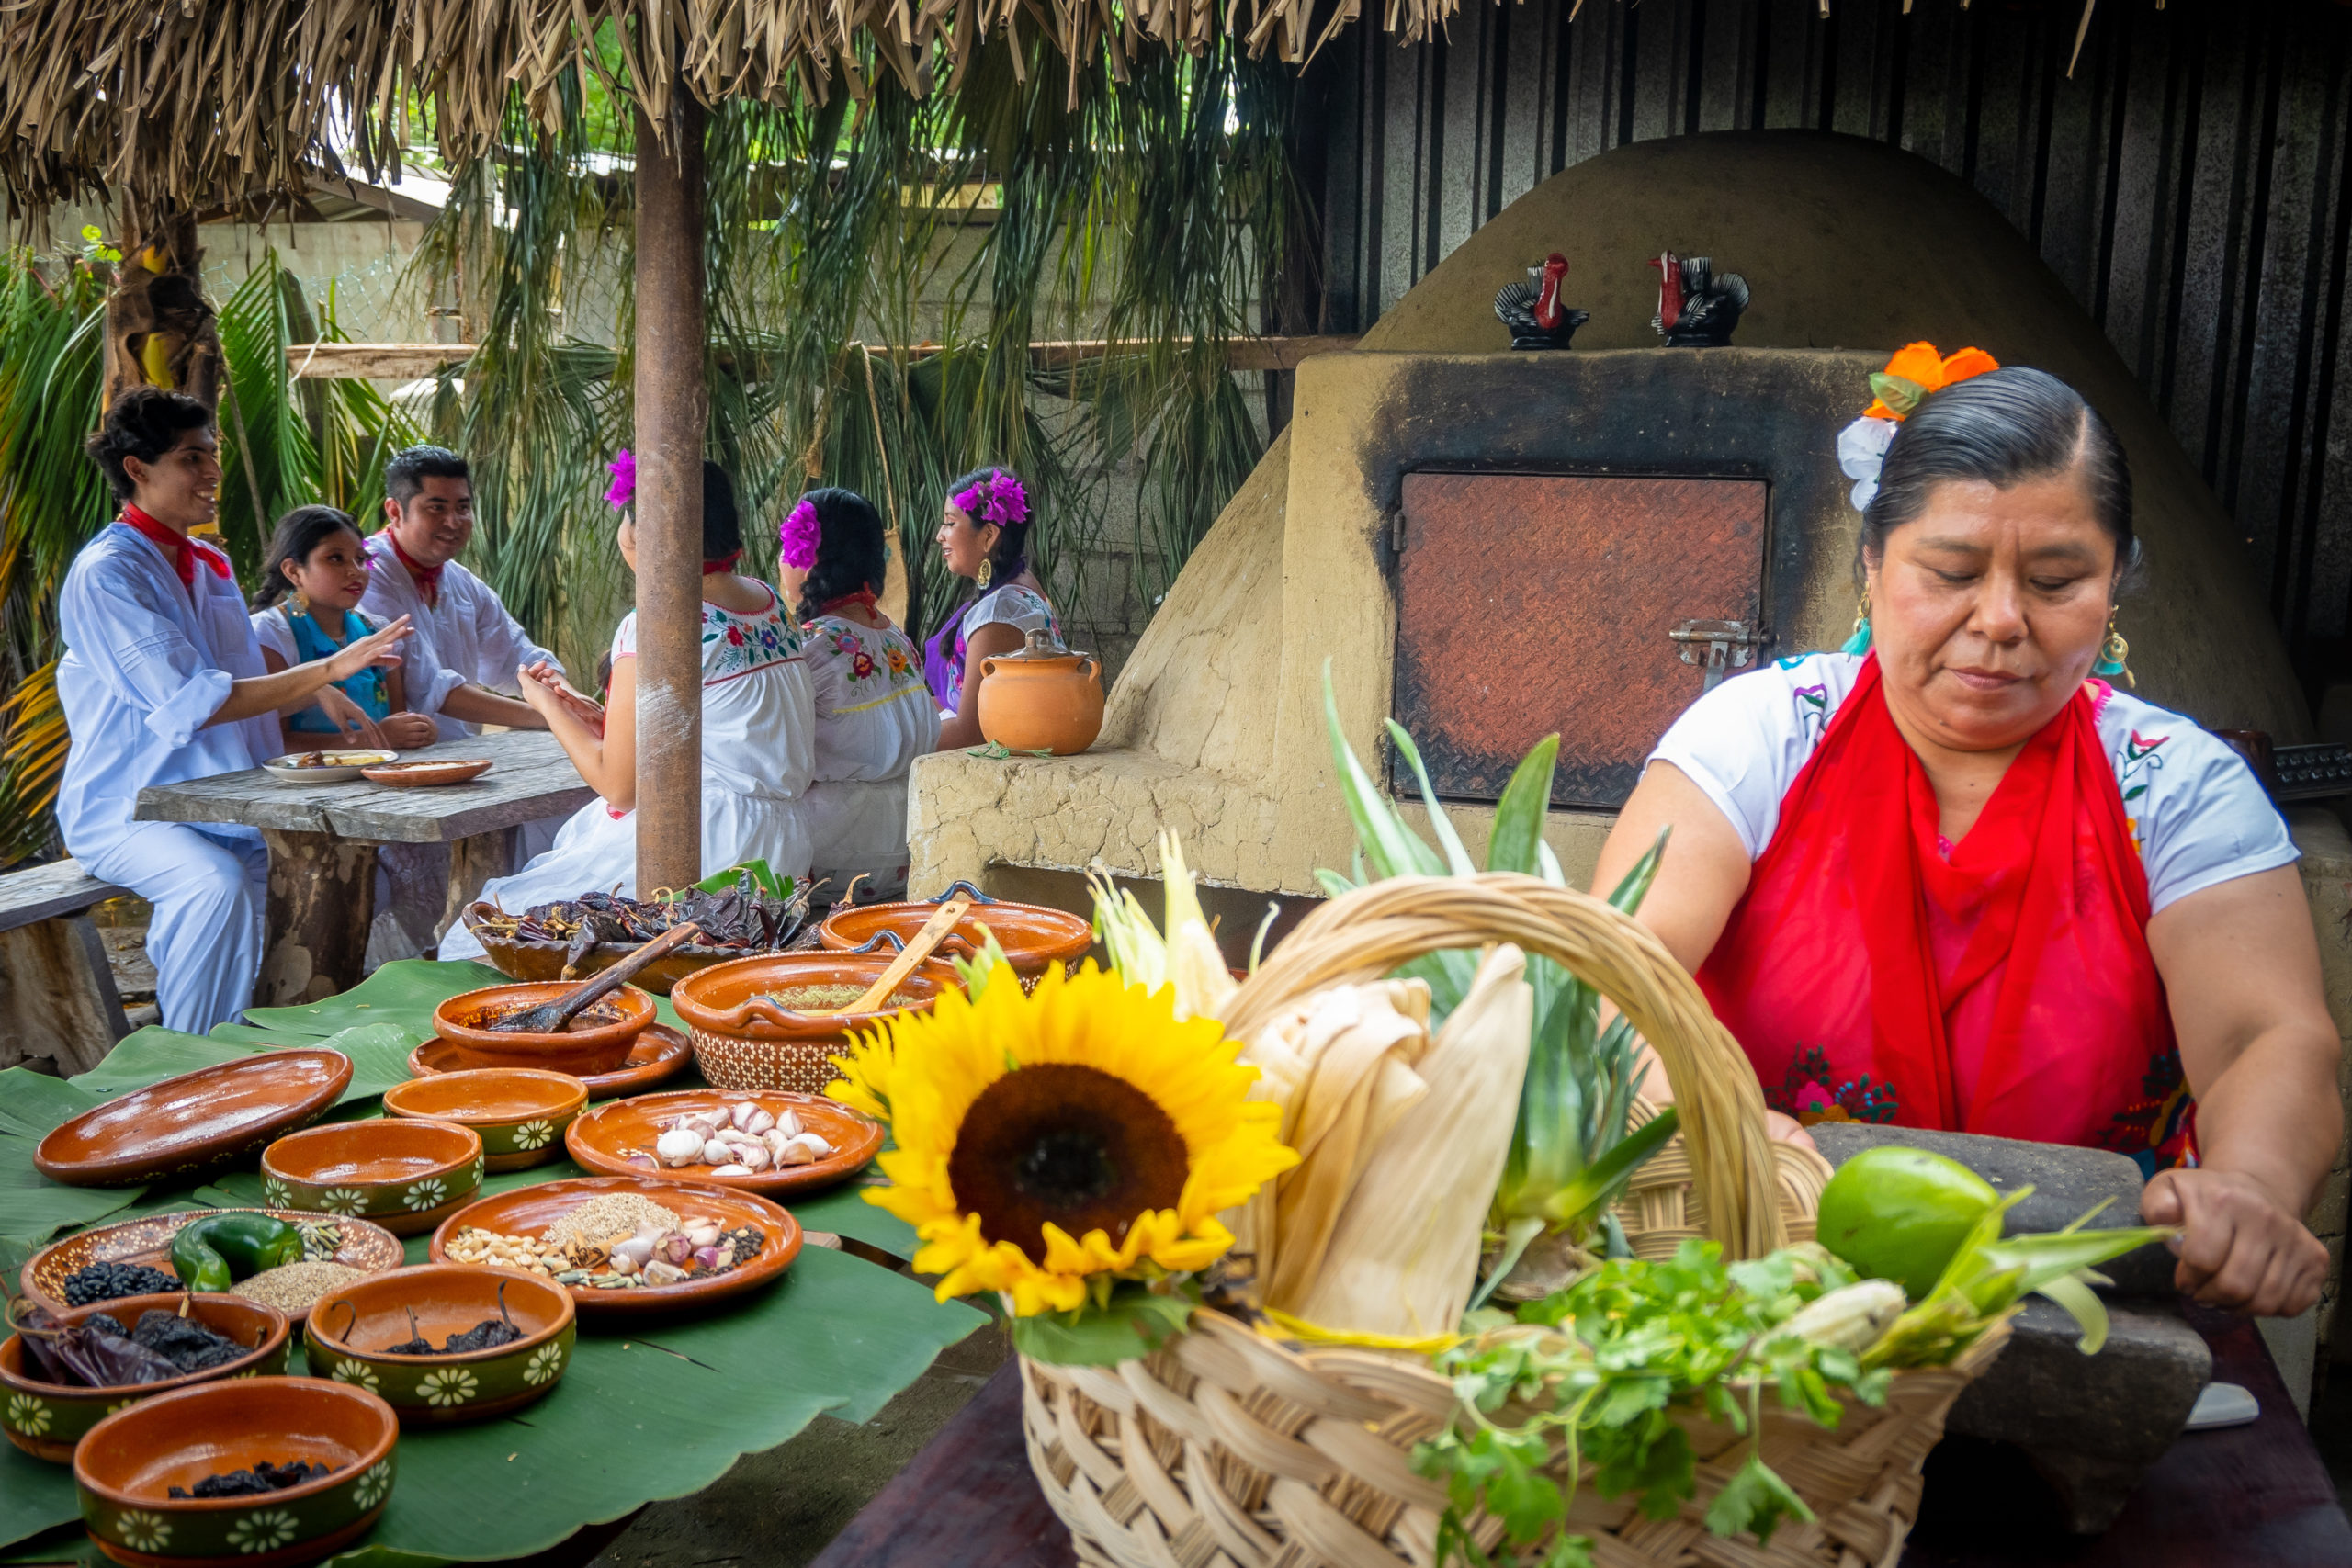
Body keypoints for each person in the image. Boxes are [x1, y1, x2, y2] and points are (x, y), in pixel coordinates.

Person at [1592, 350, 2339, 1319]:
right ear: (1872, 563)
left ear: (2112, 587)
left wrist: (2249, 1188)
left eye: (2056, 581)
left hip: (2087, 1308)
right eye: (1949, 572)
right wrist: (1718, 1141)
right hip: (1752, 1279)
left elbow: (2263, 1037)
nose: (1997, 621)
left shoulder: (2173, 783)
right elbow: (1610, 979)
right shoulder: (1762, 736)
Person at [55, 388, 411, 1032]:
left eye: (213, 455)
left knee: (344, 875)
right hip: (129, 805)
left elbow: (242, 675)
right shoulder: (108, 573)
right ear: (138, 469)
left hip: (221, 798)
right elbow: (194, 700)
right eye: (194, 458)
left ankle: (271, 1036)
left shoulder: (208, 563)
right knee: (211, 886)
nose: (213, 472)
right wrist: (330, 667)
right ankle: (189, 1067)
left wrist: (316, 688)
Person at [437, 459, 816, 960]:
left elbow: (618, 785)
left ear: (641, 531)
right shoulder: (766, 601)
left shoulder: (658, 621)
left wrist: (545, 704)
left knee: (472, 939)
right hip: (783, 848)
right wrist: (600, 718)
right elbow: (720, 725)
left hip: (709, 850)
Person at [778, 487, 939, 903]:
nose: (782, 560)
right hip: (902, 852)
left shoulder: (810, 645)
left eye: (789, 546)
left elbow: (781, 764)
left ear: (812, 558)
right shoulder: (895, 637)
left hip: (832, 858)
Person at [357, 445, 560, 740]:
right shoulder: (366, 573)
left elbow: (517, 655)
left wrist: (566, 696)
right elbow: (426, 683)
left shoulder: (458, 579)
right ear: (395, 511)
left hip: (459, 753)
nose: (453, 522)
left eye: (462, 508)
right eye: (436, 508)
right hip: (389, 760)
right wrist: (550, 716)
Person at [250, 506, 437, 749]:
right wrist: (376, 738)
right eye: (335, 558)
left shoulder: (376, 631)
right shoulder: (271, 634)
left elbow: (396, 722)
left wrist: (416, 730)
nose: (355, 571)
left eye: (361, 559)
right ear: (293, 571)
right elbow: (273, 743)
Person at [924, 465, 1059, 748]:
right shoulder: (1022, 584)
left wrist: (888, 749)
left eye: (949, 523)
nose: (940, 535)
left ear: (988, 535)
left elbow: (971, 733)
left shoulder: (1000, 614)